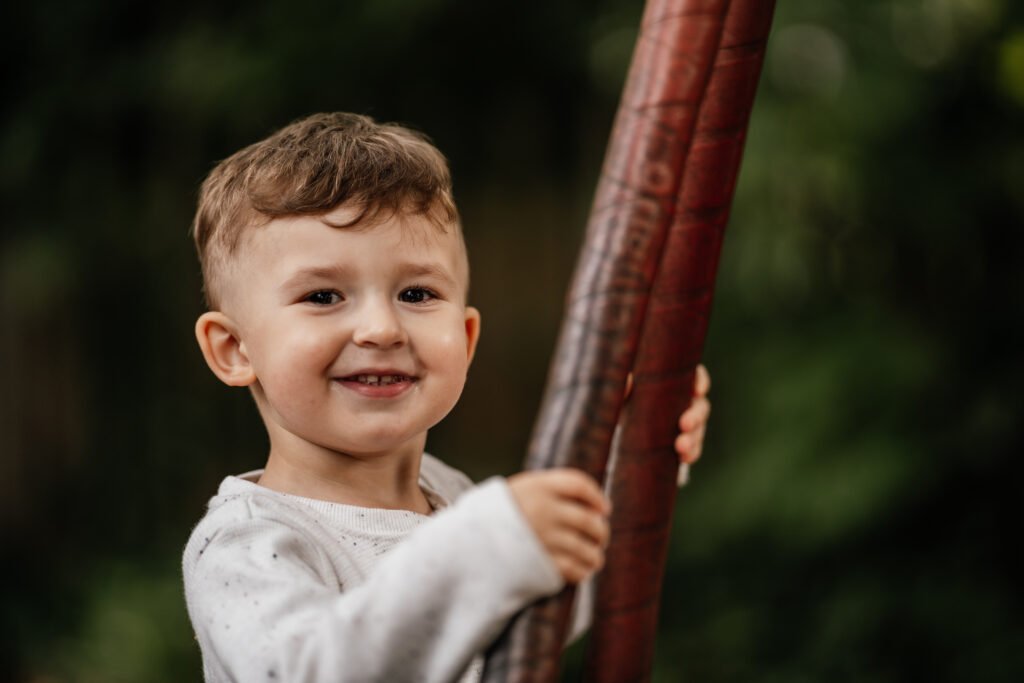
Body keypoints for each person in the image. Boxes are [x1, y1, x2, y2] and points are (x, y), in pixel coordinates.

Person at [182, 112, 713, 683]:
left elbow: (557, 599)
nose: (381, 329)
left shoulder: (454, 499)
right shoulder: (248, 542)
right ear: (234, 348)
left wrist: (634, 454)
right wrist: (487, 546)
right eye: (323, 295)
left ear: (465, 338)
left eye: (416, 292)